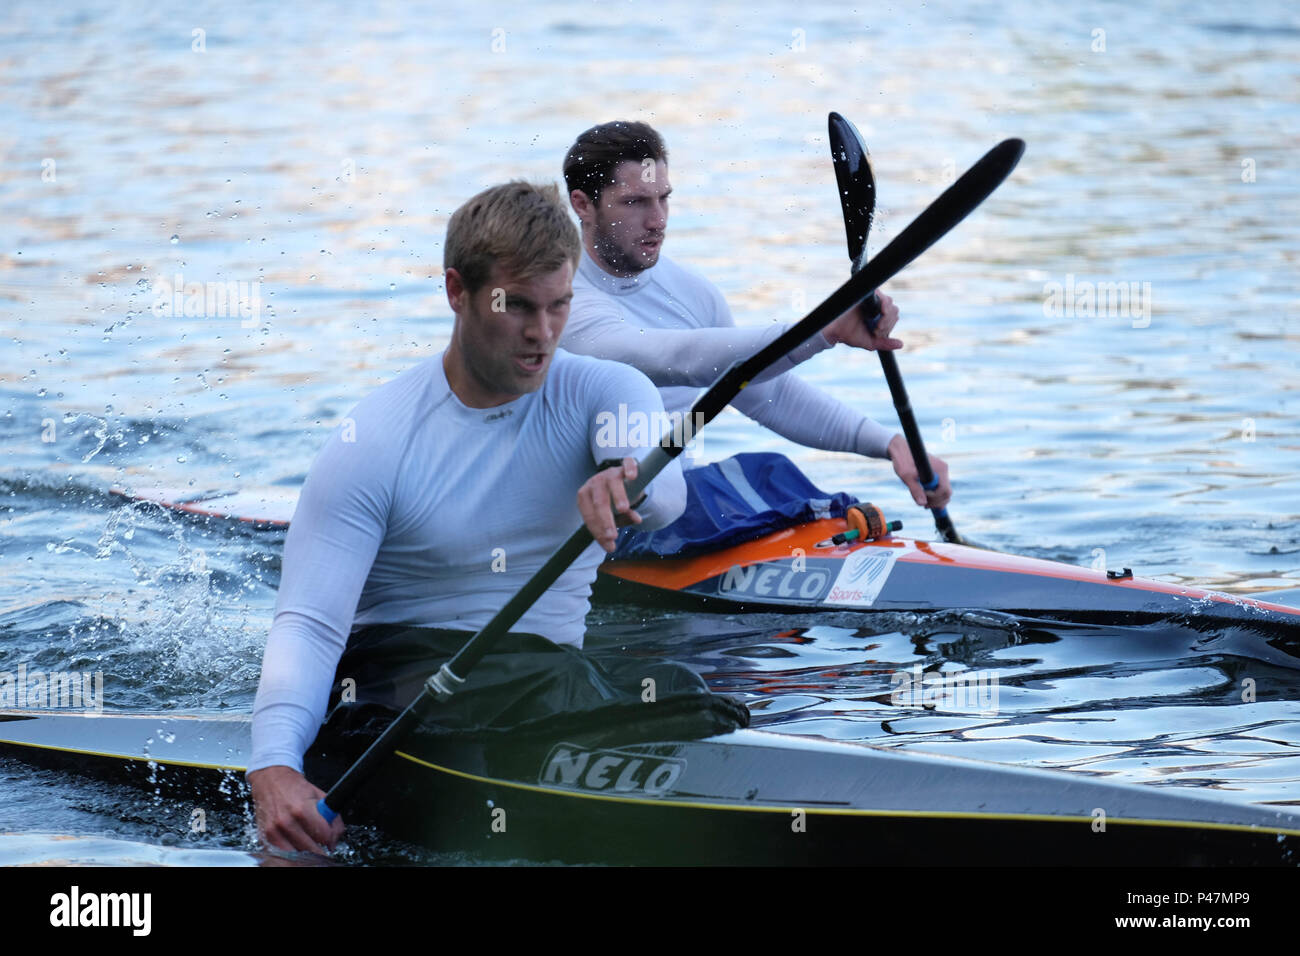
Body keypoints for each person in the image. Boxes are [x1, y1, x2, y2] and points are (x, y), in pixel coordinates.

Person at [247, 181, 688, 854]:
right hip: (398, 691)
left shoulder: (608, 389)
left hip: (545, 684)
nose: (542, 335)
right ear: (457, 290)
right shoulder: (375, 439)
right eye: (518, 309)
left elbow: (665, 494)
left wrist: (626, 482)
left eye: (560, 306)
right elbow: (309, 622)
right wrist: (275, 765)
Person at [559, 120, 951, 513]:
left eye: (664, 198)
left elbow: (766, 392)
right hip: (601, 520)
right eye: (635, 202)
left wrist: (889, 444)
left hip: (678, 506)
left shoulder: (691, 293)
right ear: (582, 205)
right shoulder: (558, 302)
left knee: (781, 478)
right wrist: (824, 329)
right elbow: (673, 358)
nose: (658, 220)